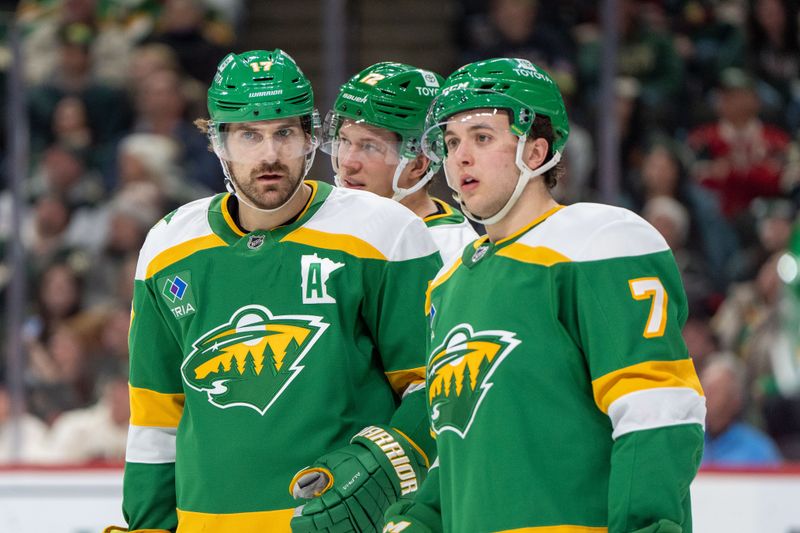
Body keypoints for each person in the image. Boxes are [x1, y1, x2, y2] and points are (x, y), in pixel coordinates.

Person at [106, 49, 441, 533]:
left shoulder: (384, 230)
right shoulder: (168, 244)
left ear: (310, 137)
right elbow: (156, 413)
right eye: (249, 135)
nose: (268, 155)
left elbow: (434, 384)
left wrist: (386, 457)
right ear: (218, 143)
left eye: (284, 133)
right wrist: (148, 524)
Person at [384, 58, 706, 532]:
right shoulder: (448, 282)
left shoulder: (600, 243)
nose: (460, 157)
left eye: (482, 137)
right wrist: (420, 521)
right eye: (451, 142)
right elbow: (457, 445)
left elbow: (657, 411)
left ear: (535, 153)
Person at [324, 62, 477, 263]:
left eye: (369, 147)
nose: (348, 163)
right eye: (344, 141)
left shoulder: (449, 254)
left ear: (418, 164)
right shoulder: (327, 223)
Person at [700, 353, 782, 467]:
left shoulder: (759, 451)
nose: (704, 397)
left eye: (714, 391)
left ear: (735, 400)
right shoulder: (686, 443)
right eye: (702, 389)